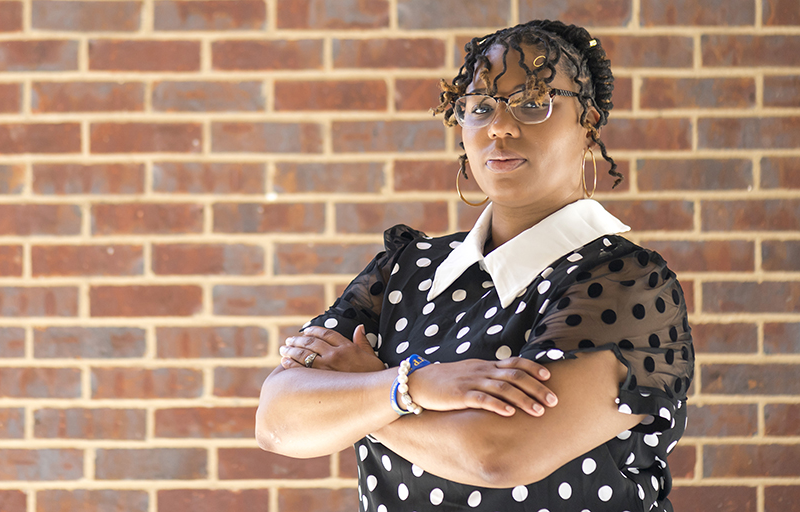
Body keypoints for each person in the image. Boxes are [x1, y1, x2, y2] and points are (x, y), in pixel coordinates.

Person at [256, 19, 693, 512]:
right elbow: (278, 421)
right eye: (480, 107)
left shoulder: (628, 284)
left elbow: (498, 454)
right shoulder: (405, 270)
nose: (499, 127)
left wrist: (371, 389)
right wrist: (414, 385)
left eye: (532, 103)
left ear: (587, 123)